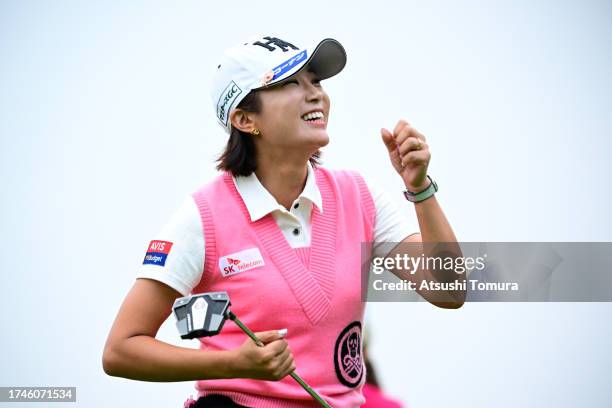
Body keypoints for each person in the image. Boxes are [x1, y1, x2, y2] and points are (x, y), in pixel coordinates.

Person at [102, 34, 464, 408]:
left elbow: (449, 291)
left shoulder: (359, 195)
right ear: (244, 119)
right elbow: (121, 350)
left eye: (316, 82)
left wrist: (420, 188)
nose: (315, 95)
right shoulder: (203, 215)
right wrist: (232, 363)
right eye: (291, 83)